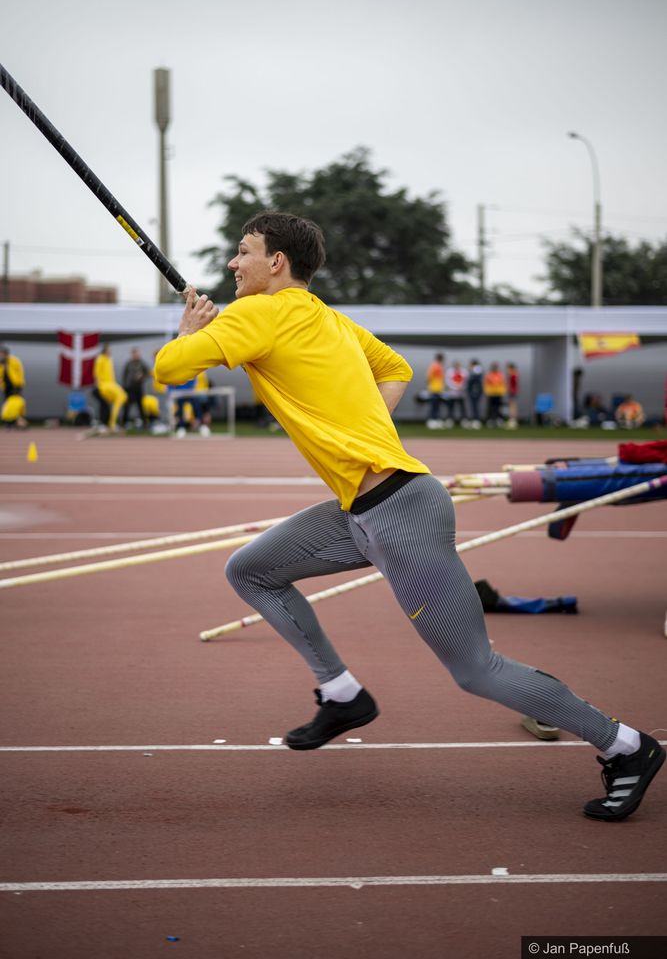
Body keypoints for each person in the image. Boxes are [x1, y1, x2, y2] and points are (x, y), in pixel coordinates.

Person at [155, 211, 664, 822]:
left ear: (277, 263)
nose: (234, 264)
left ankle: (626, 745)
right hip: (361, 509)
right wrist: (360, 426)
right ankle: (342, 693)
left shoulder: (258, 313)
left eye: (243, 252)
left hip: (398, 512)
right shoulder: (333, 322)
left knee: (477, 670)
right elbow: (396, 369)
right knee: (252, 569)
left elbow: (168, 370)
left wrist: (186, 330)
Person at [93, 344, 127, 432]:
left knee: (106, 405)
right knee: (105, 405)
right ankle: (106, 424)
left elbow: (110, 374)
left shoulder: (109, 359)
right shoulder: (100, 359)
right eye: (108, 350)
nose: (110, 352)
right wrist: (98, 385)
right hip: (103, 386)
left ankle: (108, 424)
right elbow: (96, 373)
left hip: (110, 385)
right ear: (104, 351)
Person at [0, 345, 28, 428]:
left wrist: (19, 384)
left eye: (2, 353)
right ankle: (16, 422)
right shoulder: (1, 364)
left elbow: (20, 373)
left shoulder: (14, 361)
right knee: (10, 404)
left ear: (6, 354)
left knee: (16, 404)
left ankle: (19, 422)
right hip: (6, 388)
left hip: (15, 387)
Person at [121, 347, 150, 428]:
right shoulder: (129, 363)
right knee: (127, 406)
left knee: (141, 406)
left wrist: (141, 377)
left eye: (137, 354)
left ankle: (145, 423)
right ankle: (124, 423)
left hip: (138, 388)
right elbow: (124, 375)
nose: (136, 355)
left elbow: (148, 373)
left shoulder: (142, 363)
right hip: (130, 388)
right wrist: (124, 386)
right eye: (134, 354)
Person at [425, 352, 445, 429]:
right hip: (434, 389)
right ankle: (431, 421)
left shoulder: (438, 366)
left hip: (438, 389)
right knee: (433, 405)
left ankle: (435, 420)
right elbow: (428, 377)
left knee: (437, 406)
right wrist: (430, 386)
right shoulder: (435, 366)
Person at [443, 359, 467, 426]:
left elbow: (466, 381)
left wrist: (462, 387)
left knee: (462, 408)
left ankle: (463, 420)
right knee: (451, 407)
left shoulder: (464, 372)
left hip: (461, 393)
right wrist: (455, 387)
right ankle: (450, 420)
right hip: (452, 393)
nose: (457, 366)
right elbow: (447, 381)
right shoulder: (449, 371)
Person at [483, 362, 506, 426]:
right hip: (491, 393)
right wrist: (487, 391)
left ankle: (499, 419)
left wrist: (502, 391)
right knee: (491, 408)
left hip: (498, 393)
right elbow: (486, 384)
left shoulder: (500, 375)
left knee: (498, 408)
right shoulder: (489, 375)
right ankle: (490, 420)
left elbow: (502, 384)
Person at [466, 359, 484, 428]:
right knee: (474, 406)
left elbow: (474, 382)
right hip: (475, 391)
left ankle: (476, 420)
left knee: (475, 406)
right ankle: (475, 420)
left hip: (475, 391)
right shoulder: (476, 370)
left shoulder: (476, 370)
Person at [505, 362, 519, 429]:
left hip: (512, 392)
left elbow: (513, 384)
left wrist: (511, 390)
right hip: (513, 391)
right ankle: (512, 420)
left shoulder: (513, 374)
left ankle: (512, 420)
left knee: (512, 406)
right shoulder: (514, 374)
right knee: (512, 406)